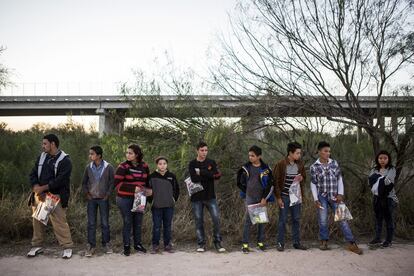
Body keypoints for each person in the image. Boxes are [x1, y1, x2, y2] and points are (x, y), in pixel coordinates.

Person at [310, 141, 362, 255]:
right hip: (321, 196)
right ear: (319, 152)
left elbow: (339, 179)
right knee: (323, 220)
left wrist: (340, 194)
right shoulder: (314, 166)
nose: (328, 153)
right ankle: (324, 241)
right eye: (325, 151)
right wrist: (315, 199)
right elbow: (313, 183)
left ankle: (351, 243)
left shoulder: (334, 164)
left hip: (335, 196)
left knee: (342, 219)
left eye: (329, 151)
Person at [28, 134, 74, 259]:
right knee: (38, 220)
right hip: (41, 195)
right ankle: (37, 246)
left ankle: (67, 247)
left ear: (53, 144)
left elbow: (60, 180)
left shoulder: (65, 160)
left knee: (59, 222)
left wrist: (43, 189)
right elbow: (33, 174)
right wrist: (37, 187)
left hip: (56, 196)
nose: (42, 146)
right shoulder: (42, 157)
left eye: (45, 144)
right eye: (43, 144)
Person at [188, 141, 226, 253]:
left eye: (206, 150)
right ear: (197, 150)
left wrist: (202, 173)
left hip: (210, 196)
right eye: (202, 150)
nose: (204, 153)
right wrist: (209, 175)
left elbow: (217, 176)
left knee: (216, 219)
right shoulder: (192, 164)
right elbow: (194, 179)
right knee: (199, 220)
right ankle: (201, 244)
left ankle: (218, 242)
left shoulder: (211, 162)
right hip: (196, 197)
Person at [115, 144, 151, 256]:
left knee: (138, 222)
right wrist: (132, 188)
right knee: (127, 221)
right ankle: (126, 246)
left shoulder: (144, 166)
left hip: (140, 197)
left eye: (130, 153)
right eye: (127, 153)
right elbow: (117, 184)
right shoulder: (123, 166)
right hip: (124, 198)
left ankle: (138, 244)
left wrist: (149, 191)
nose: (128, 155)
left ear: (137, 154)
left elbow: (147, 182)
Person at [236, 145, 274, 253]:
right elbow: (239, 182)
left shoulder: (266, 169)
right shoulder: (245, 168)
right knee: (248, 220)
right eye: (249, 155)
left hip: (261, 198)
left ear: (259, 156)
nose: (250, 158)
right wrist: (246, 191)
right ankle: (245, 244)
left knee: (261, 221)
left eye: (253, 156)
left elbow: (270, 185)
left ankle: (260, 242)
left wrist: (264, 198)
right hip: (250, 198)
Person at [273, 142, 307, 251]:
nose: (299, 155)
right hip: (284, 196)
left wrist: (302, 178)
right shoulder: (281, 164)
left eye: (299, 153)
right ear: (290, 153)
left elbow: (304, 178)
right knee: (282, 219)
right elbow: (276, 182)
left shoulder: (300, 164)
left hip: (296, 196)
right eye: (297, 153)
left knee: (296, 219)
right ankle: (280, 243)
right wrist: (278, 198)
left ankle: (296, 243)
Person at [82, 145, 115, 257]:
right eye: (90, 153)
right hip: (92, 199)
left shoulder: (108, 167)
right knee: (91, 223)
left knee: (105, 223)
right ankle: (91, 245)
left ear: (99, 155)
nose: (90, 155)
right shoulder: (88, 167)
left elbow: (112, 182)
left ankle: (106, 244)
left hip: (103, 199)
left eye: (92, 153)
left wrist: (108, 194)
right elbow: (84, 183)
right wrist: (87, 193)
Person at [147, 156, 180, 254]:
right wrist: (151, 201)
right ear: (157, 165)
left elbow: (177, 189)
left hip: (169, 206)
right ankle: (155, 245)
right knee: (156, 226)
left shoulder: (171, 176)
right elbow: (148, 191)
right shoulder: (152, 176)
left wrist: (174, 200)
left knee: (167, 226)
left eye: (164, 164)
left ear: (167, 165)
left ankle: (167, 245)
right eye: (160, 164)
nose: (162, 166)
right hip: (156, 206)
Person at [368, 150, 398, 248]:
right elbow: (370, 182)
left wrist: (377, 180)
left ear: (388, 159)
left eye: (385, 158)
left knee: (389, 219)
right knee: (378, 219)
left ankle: (388, 240)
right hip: (377, 198)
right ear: (377, 159)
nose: (382, 160)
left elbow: (388, 183)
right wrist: (380, 180)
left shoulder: (392, 169)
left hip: (389, 198)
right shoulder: (374, 169)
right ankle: (377, 238)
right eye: (380, 158)